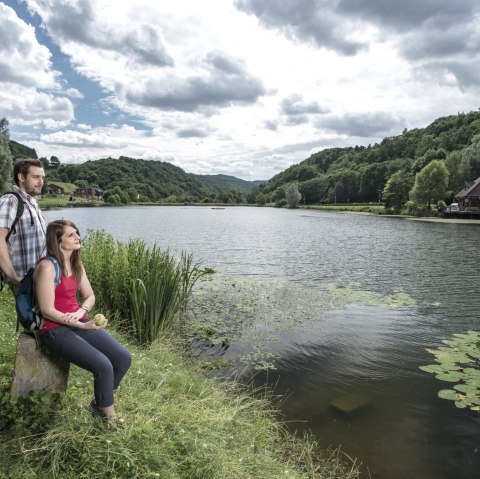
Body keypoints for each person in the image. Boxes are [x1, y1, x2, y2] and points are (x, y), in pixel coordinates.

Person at [34, 219, 131, 424]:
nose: (78, 237)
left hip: (78, 322)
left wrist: (81, 312)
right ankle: (108, 417)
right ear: (57, 241)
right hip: (54, 329)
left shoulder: (76, 264)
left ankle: (99, 402)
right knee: (103, 365)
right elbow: (47, 310)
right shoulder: (46, 267)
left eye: (76, 233)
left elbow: (90, 296)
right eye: (71, 235)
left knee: (122, 358)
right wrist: (81, 324)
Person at [0, 158, 47, 288]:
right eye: (36, 177)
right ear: (21, 177)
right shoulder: (11, 200)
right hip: (25, 281)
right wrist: (14, 277)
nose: (41, 182)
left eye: (42, 177)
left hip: (41, 279)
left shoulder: (32, 202)